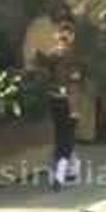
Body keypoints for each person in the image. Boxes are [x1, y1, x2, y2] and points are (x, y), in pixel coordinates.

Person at [33, 15, 84, 190]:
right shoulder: (72, 57)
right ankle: (61, 175)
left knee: (61, 136)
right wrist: (75, 108)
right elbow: (75, 83)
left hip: (56, 100)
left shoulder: (51, 55)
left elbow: (42, 70)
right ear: (71, 38)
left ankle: (66, 171)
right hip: (67, 102)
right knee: (66, 139)